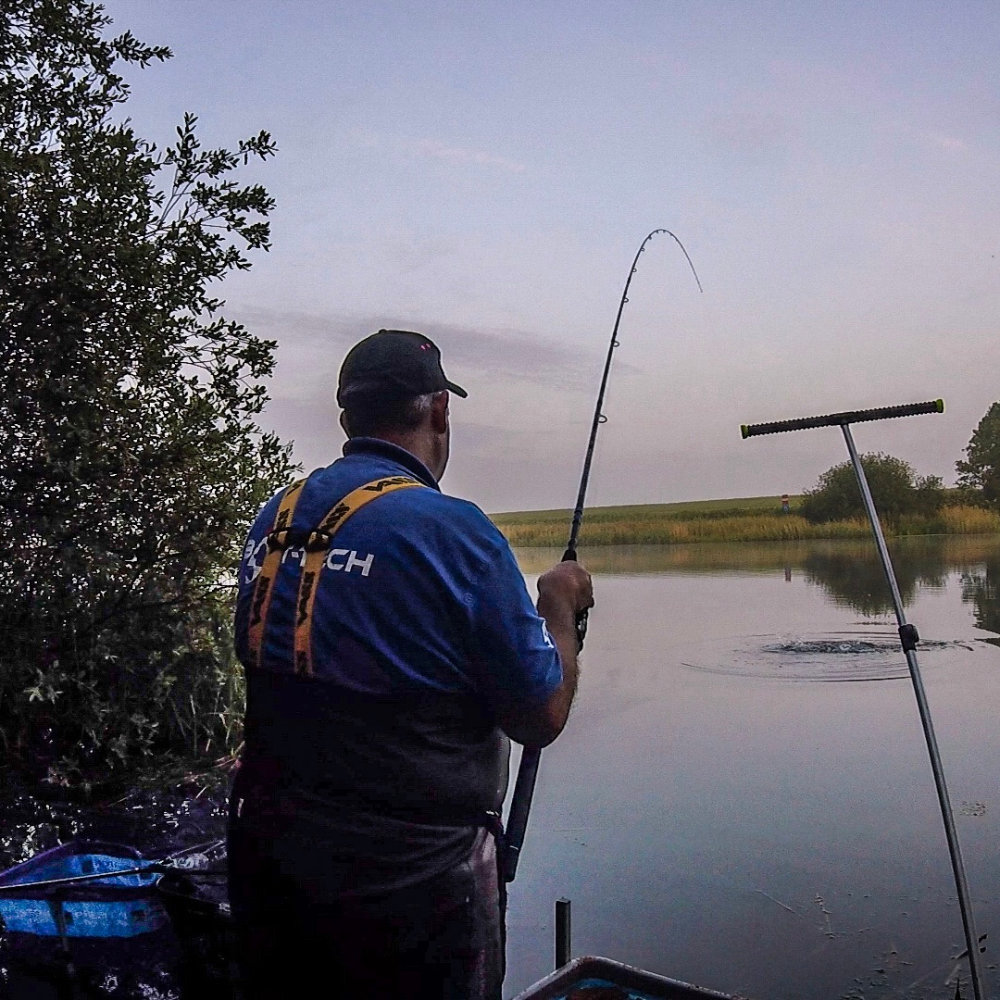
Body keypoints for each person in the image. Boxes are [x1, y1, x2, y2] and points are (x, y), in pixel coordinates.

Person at [228, 329, 594, 1000]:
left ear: (348, 418)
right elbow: (540, 716)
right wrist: (559, 608)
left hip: (273, 862)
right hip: (416, 894)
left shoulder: (273, 519)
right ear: (438, 411)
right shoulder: (455, 532)